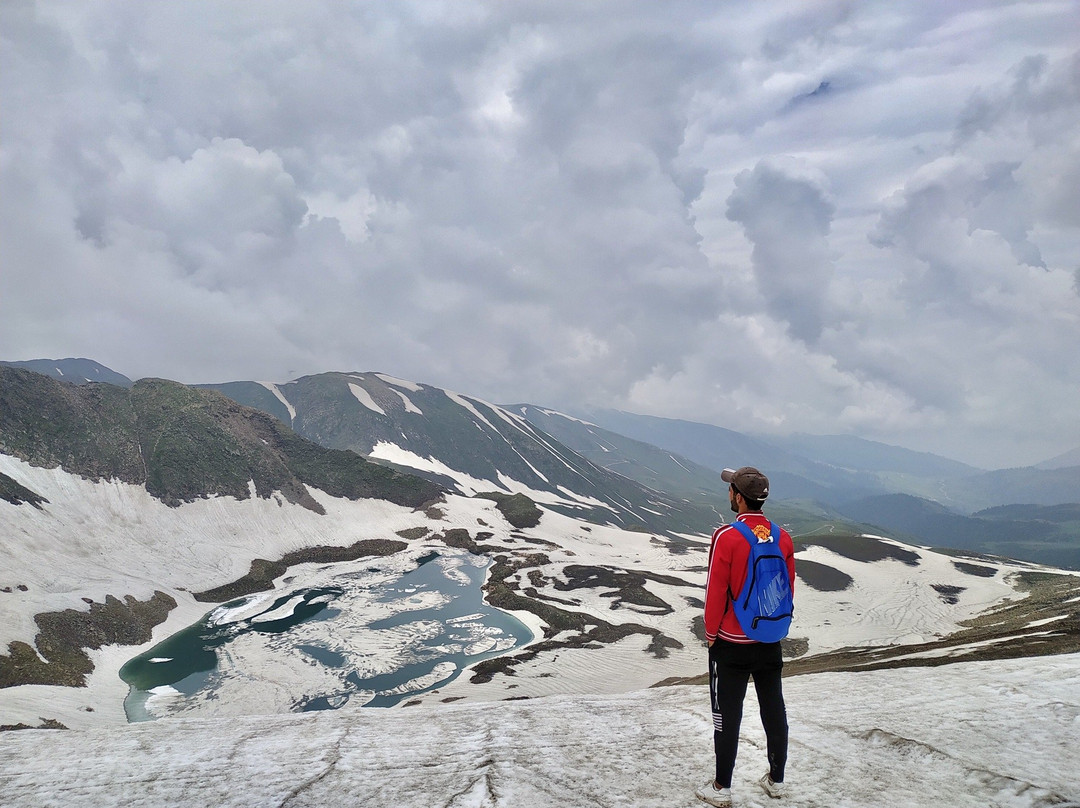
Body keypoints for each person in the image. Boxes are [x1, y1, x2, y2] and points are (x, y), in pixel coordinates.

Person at [695, 466, 796, 807]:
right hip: (769, 640)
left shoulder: (727, 536)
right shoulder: (783, 537)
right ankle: (777, 780)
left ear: (738, 497)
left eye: (730, 490)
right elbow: (788, 589)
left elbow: (716, 592)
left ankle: (722, 787)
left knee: (727, 716)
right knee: (774, 710)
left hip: (731, 644)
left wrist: (711, 635)